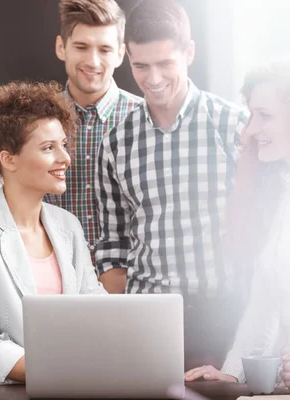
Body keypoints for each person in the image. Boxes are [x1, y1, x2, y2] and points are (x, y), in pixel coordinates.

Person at [94, 0, 248, 369]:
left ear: (189, 53)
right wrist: (134, 311)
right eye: (140, 66)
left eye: (165, 63)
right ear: (127, 58)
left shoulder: (233, 126)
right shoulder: (115, 142)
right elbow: (112, 242)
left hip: (225, 316)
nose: (153, 78)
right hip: (148, 321)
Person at [184, 59, 290, 395]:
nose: (250, 130)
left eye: (265, 115)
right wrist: (232, 373)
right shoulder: (285, 194)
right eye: (251, 115)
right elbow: (264, 306)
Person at [0, 81, 106, 387]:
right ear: (9, 159)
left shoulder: (67, 226)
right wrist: (63, 374)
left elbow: (95, 309)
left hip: (62, 386)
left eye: (63, 145)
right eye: (48, 148)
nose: (65, 158)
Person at [45, 0, 142, 259]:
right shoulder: (37, 120)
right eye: (81, 47)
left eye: (105, 49)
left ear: (121, 54)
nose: (93, 60)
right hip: (56, 276)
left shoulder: (143, 118)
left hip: (129, 280)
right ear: (61, 47)